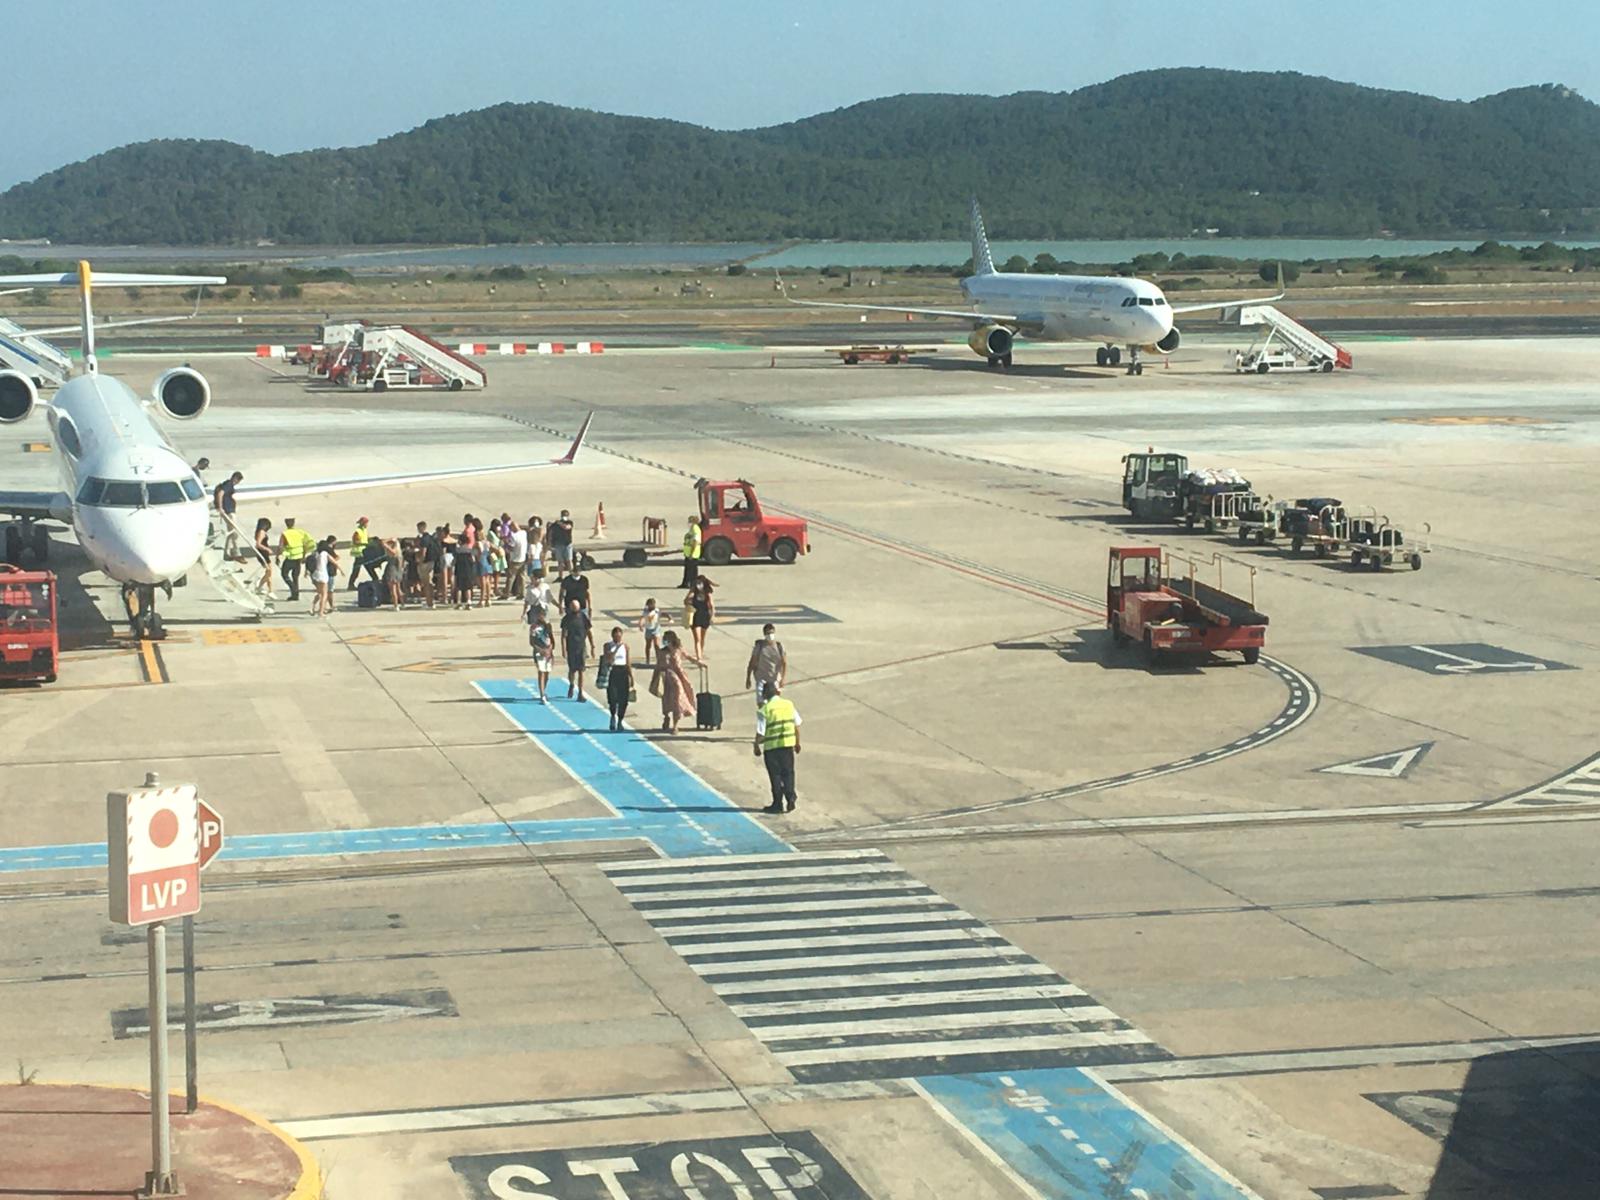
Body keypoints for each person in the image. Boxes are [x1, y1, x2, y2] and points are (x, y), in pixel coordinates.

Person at [754, 682, 802, 814]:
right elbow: (796, 725)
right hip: (787, 745)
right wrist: (797, 743)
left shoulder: (764, 710)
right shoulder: (788, 704)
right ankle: (790, 797)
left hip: (772, 748)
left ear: (764, 695)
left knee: (775, 775)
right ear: (777, 692)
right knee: (788, 773)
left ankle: (777, 803)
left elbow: (761, 732)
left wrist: (756, 745)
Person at [652, 629, 699, 735]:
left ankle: (675, 725)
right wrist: (654, 680)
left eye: (667, 639)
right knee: (667, 700)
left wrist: (698, 663)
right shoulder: (662, 652)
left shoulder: (678, 650)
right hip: (666, 679)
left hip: (678, 677)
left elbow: (688, 657)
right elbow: (658, 666)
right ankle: (666, 717)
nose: (665, 641)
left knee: (677, 700)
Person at [600, 627, 634, 731]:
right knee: (613, 697)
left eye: (619, 636)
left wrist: (631, 676)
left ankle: (620, 720)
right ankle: (612, 716)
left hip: (623, 671)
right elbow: (608, 659)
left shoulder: (626, 647)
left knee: (623, 698)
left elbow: (628, 662)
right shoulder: (608, 646)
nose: (618, 638)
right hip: (613, 671)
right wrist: (616, 649)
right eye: (616, 636)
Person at [745, 623, 787, 707]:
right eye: (768, 633)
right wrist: (748, 678)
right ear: (764, 634)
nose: (770, 635)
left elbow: (784, 663)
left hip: (774, 680)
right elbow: (752, 662)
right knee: (761, 704)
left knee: (775, 704)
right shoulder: (759, 647)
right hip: (761, 680)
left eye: (771, 633)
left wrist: (782, 678)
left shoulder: (779, 646)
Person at [560, 597, 594, 701]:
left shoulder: (583, 617)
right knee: (572, 670)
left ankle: (580, 692)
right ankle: (571, 684)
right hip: (571, 648)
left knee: (581, 670)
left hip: (581, 647)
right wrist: (564, 649)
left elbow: (588, 631)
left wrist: (592, 645)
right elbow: (564, 636)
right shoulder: (566, 619)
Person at [278, 517, 315, 601]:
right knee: (295, 577)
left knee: (284, 574)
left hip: (290, 558)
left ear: (286, 523)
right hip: (298, 558)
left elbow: (280, 546)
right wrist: (303, 556)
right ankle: (295, 595)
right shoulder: (300, 532)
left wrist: (278, 556)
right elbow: (305, 544)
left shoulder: (285, 534)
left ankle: (293, 588)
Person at [526, 603, 555, 702]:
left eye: (544, 614)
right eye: (541, 614)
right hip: (539, 652)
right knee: (541, 672)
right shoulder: (534, 627)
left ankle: (544, 689)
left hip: (548, 652)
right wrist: (540, 650)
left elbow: (552, 638)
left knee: (547, 673)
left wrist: (550, 649)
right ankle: (542, 693)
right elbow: (532, 642)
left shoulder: (548, 625)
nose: (542, 616)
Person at [213, 470, 244, 558]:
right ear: (236, 479)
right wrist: (220, 507)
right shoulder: (228, 485)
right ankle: (236, 551)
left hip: (229, 510)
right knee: (234, 532)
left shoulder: (227, 484)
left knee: (231, 532)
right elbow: (220, 494)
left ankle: (227, 552)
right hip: (228, 512)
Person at [310, 536, 340, 617]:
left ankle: (314, 606)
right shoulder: (327, 552)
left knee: (319, 593)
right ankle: (322, 610)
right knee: (326, 593)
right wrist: (341, 570)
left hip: (315, 574)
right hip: (326, 574)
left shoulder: (315, 552)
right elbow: (335, 560)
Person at [688, 575, 715, 661]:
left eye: (700, 583)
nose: (698, 585)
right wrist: (689, 598)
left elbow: (711, 605)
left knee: (702, 638)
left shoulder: (708, 592)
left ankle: (701, 652)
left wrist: (712, 616)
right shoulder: (693, 591)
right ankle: (699, 657)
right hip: (695, 616)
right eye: (697, 583)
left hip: (705, 615)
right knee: (697, 638)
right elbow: (685, 600)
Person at [452, 521, 478, 609]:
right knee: (468, 587)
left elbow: (454, 560)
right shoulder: (469, 550)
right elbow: (473, 560)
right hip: (468, 571)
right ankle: (468, 602)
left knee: (459, 587)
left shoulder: (458, 550)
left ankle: (458, 602)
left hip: (459, 570)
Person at [346, 517, 371, 590]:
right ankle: (351, 584)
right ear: (363, 523)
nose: (367, 524)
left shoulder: (364, 530)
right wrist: (365, 544)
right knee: (357, 569)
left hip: (364, 552)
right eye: (366, 523)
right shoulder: (358, 531)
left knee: (367, 567)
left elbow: (367, 538)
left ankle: (351, 584)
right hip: (359, 553)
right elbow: (356, 542)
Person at [504, 519, 527, 600]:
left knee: (511, 577)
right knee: (522, 577)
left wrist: (506, 543)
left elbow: (512, 548)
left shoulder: (514, 536)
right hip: (523, 558)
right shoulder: (524, 533)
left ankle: (507, 593)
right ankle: (522, 593)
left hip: (515, 559)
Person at [252, 517, 275, 596]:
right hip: (262, 553)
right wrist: (267, 549)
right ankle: (260, 586)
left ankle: (270, 590)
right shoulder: (261, 532)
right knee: (269, 572)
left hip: (263, 553)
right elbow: (258, 544)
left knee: (269, 572)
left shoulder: (260, 531)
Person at [380, 536, 403, 610]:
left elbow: (383, 542)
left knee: (393, 589)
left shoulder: (393, 551)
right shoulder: (399, 553)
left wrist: (388, 541)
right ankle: (402, 603)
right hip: (398, 570)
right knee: (398, 588)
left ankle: (396, 605)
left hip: (392, 569)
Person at [679, 514, 702, 588]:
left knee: (692, 571)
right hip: (688, 553)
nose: (688, 523)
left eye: (689, 521)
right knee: (687, 570)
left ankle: (691, 584)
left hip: (693, 554)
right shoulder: (692, 528)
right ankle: (685, 583)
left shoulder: (695, 529)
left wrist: (692, 553)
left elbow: (695, 542)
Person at [549, 509, 574, 573]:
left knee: (569, 560)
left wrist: (560, 523)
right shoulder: (556, 524)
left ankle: (571, 574)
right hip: (558, 544)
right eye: (563, 515)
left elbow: (566, 527)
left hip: (567, 544)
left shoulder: (569, 522)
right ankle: (560, 576)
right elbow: (551, 531)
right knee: (560, 562)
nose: (564, 516)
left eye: (566, 515)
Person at [639, 597, 661, 665]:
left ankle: (659, 660)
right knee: (648, 645)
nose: (653, 606)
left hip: (656, 629)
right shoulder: (645, 612)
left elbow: (663, 614)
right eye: (651, 605)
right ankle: (647, 660)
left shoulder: (657, 610)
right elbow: (642, 618)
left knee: (656, 645)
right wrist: (640, 625)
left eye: (654, 604)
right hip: (648, 629)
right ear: (648, 605)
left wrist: (669, 617)